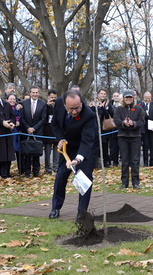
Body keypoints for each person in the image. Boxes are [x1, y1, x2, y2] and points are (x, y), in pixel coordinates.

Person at [49, 89, 99, 220]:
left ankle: (81, 212)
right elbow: (54, 124)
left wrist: (78, 159)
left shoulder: (89, 115)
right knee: (60, 176)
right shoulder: (58, 103)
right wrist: (60, 139)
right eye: (71, 109)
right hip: (67, 147)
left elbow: (87, 140)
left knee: (83, 179)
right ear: (64, 105)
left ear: (81, 102)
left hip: (86, 148)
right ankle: (56, 207)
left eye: (77, 108)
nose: (75, 111)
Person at [113, 90, 145, 189]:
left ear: (133, 98)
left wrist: (133, 123)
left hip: (135, 137)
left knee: (135, 161)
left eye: (130, 97)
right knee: (125, 161)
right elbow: (116, 121)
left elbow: (142, 122)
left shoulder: (139, 109)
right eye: (126, 97)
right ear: (123, 98)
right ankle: (124, 182)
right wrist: (123, 123)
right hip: (123, 137)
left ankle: (135, 182)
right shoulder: (119, 109)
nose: (128, 99)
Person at [20, 86, 47, 178]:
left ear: (38, 93)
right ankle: (27, 172)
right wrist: (28, 128)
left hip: (37, 131)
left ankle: (36, 171)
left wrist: (34, 128)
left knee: (36, 152)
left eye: (36, 92)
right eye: (33, 92)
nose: (35, 94)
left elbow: (43, 119)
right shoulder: (24, 103)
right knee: (27, 153)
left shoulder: (43, 104)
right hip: (26, 131)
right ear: (30, 93)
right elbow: (22, 117)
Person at [89, 89, 114, 168]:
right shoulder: (93, 102)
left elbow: (109, 115)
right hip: (94, 128)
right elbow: (90, 115)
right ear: (98, 94)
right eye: (101, 94)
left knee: (104, 146)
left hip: (104, 129)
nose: (103, 95)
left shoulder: (107, 103)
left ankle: (105, 162)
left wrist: (103, 107)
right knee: (95, 146)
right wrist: (91, 107)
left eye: (104, 94)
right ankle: (95, 162)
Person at [141, 91, 153, 167]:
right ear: (144, 97)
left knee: (152, 145)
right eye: (146, 98)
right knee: (145, 145)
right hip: (144, 129)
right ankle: (145, 162)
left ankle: (152, 162)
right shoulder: (141, 105)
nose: (147, 99)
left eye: (149, 98)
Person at [0, 90, 16, 178]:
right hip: (1, 133)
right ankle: (2, 174)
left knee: (8, 154)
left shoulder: (6, 104)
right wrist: (2, 122)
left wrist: (12, 123)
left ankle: (7, 173)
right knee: (1, 154)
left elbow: (12, 116)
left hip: (8, 133)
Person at [6, 94, 23, 174]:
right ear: (7, 99)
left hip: (17, 132)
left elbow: (21, 117)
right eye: (10, 99)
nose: (12, 100)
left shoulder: (19, 108)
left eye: (14, 99)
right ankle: (6, 171)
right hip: (9, 133)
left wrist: (19, 122)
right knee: (9, 152)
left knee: (18, 152)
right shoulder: (5, 107)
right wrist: (15, 110)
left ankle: (21, 170)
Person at [43, 89, 58, 174]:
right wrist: (48, 106)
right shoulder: (45, 105)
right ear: (48, 97)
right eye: (51, 97)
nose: (53, 99)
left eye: (55, 98)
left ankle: (56, 167)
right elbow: (43, 117)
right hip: (47, 131)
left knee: (57, 151)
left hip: (56, 132)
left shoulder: (59, 105)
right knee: (47, 151)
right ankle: (48, 168)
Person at [110, 92, 120, 166]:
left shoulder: (122, 105)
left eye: (117, 96)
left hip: (121, 128)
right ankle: (115, 161)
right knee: (114, 146)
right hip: (112, 128)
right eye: (114, 96)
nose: (116, 97)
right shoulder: (110, 105)